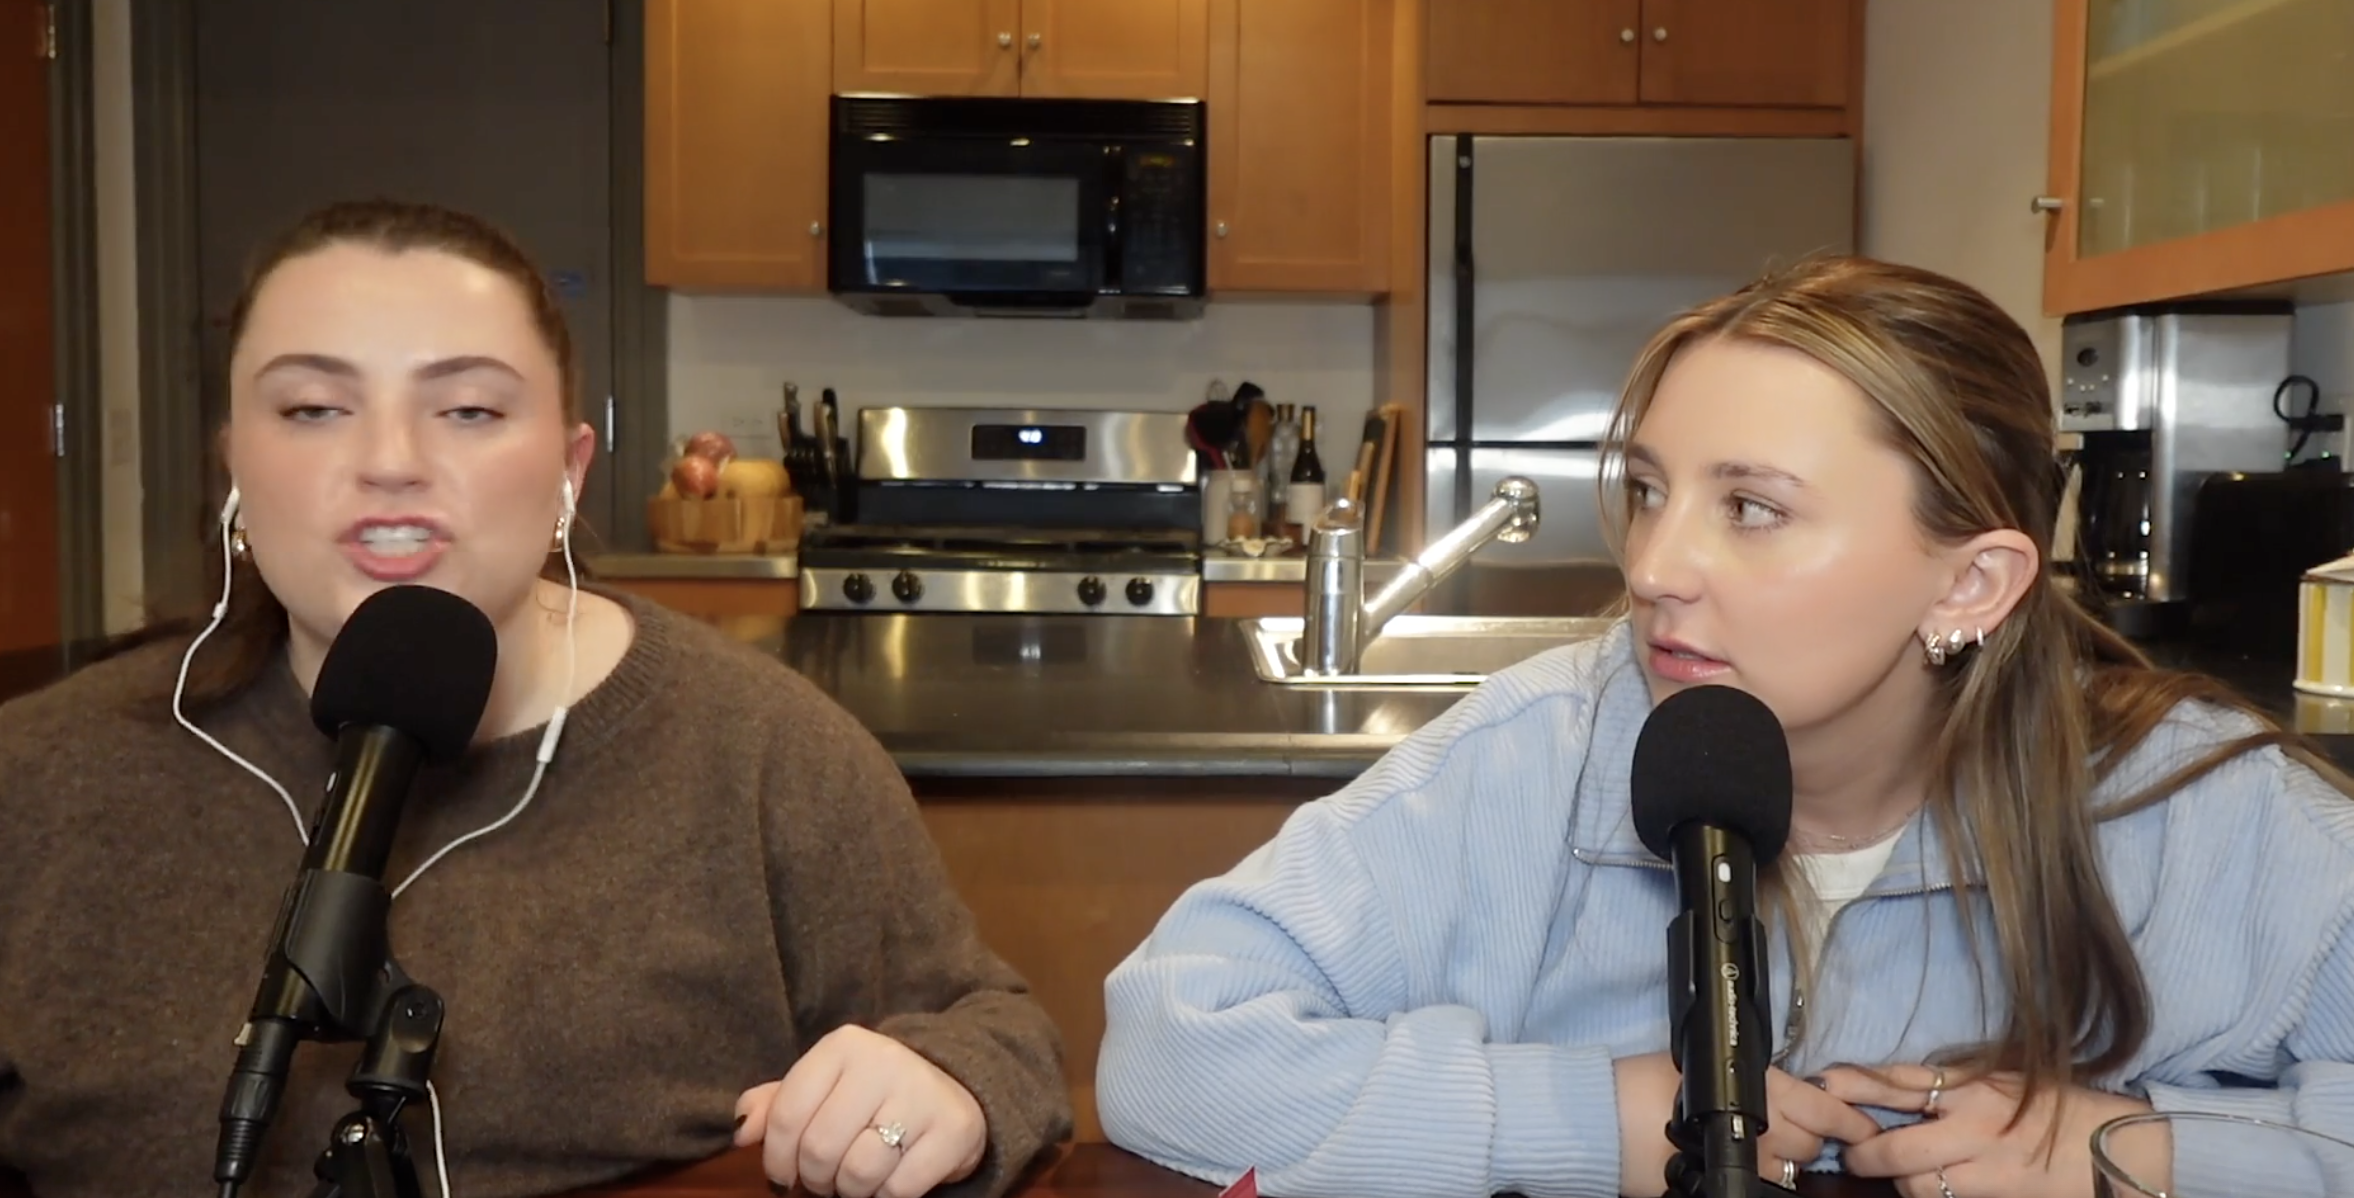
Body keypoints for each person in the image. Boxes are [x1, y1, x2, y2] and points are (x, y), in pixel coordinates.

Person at [1095, 256, 2354, 1198]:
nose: (1652, 568)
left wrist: (2142, 1151)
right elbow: (1168, 1050)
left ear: (1970, 583)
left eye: (1750, 508)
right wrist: (1593, 1118)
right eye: (1649, 491)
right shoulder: (1539, 751)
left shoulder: (2204, 811)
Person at [0, 199, 1071, 1198]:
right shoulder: (42, 773)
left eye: (468, 408)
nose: (390, 460)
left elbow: (996, 1039)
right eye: (314, 407)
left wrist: (947, 1089)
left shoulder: (767, 756)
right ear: (234, 464)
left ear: (568, 469)